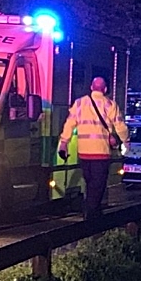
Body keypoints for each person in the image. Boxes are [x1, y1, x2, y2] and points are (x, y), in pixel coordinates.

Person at [58, 77, 129, 220]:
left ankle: (91, 212)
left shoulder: (79, 103)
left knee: (89, 183)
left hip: (84, 153)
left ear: (91, 87)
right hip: (101, 152)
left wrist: (64, 143)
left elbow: (69, 124)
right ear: (105, 89)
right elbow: (120, 126)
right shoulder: (109, 104)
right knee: (98, 184)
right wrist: (126, 141)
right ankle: (91, 214)